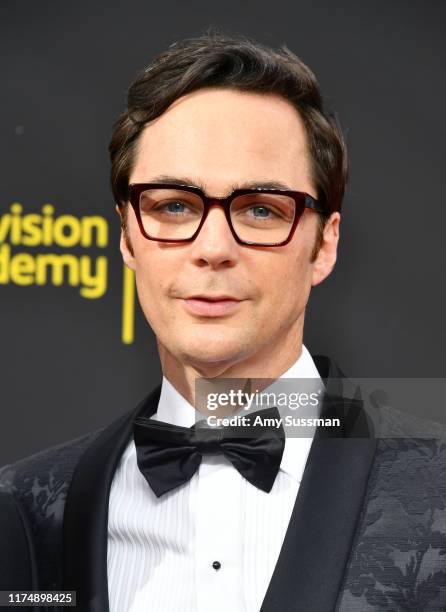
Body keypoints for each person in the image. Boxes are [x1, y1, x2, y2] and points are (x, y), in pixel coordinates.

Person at [1, 30, 446, 612]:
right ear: (128, 236)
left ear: (324, 244)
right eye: (174, 205)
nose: (212, 247)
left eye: (260, 209)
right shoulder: (24, 515)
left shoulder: (435, 487)